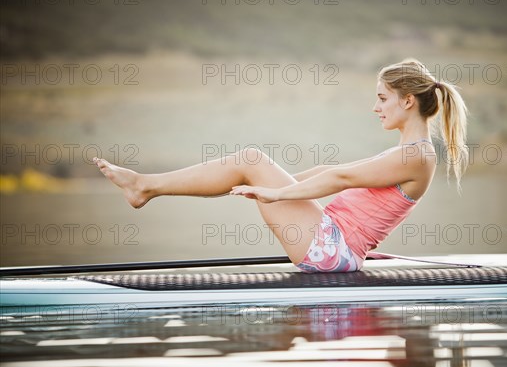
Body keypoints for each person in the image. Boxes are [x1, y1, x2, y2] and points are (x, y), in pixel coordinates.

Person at [92, 58, 469, 273]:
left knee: (251, 160)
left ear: (407, 101)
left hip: (332, 250)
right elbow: (329, 170)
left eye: (382, 98)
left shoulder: (416, 156)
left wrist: (275, 192)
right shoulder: (407, 151)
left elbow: (340, 178)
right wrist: (268, 186)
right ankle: (147, 186)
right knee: (250, 163)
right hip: (331, 241)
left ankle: (144, 186)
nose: (375, 107)